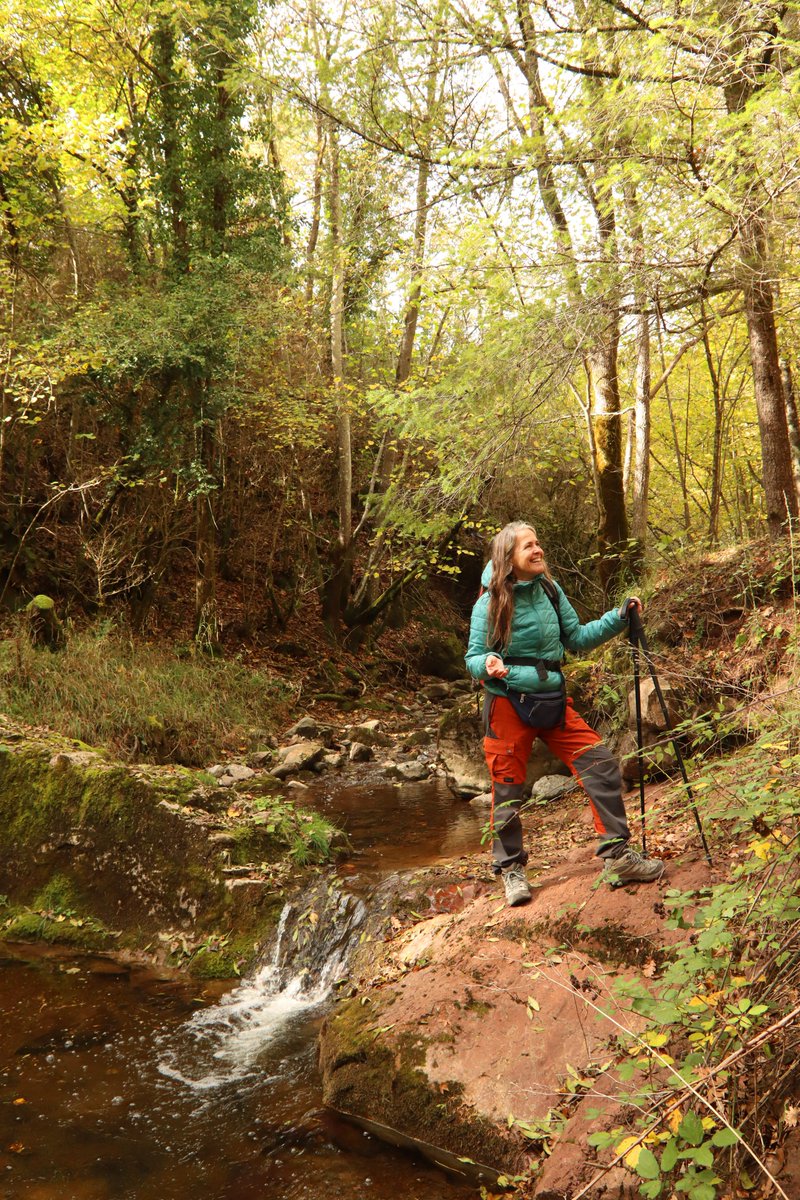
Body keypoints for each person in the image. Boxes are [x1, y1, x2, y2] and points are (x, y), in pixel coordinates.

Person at [465, 521, 664, 907]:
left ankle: (617, 856)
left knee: (600, 763)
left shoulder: (550, 591)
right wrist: (487, 662)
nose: (538, 551)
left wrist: (618, 617)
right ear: (509, 558)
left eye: (538, 543)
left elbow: (576, 638)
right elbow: (473, 656)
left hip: (552, 699)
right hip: (506, 703)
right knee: (507, 787)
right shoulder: (488, 601)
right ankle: (511, 870)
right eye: (529, 546)